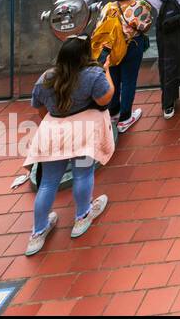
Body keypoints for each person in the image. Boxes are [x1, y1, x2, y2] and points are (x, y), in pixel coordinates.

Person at [21, 37, 116, 256]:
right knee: (83, 174)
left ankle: (38, 232)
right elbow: (105, 99)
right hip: (83, 136)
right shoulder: (93, 75)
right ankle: (82, 216)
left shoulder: (46, 78)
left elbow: (40, 109)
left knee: (48, 183)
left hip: (53, 136)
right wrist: (107, 71)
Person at [90, 0, 151, 133]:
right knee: (129, 81)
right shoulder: (139, 6)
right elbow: (145, 26)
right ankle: (125, 118)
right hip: (131, 47)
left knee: (114, 79)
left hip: (111, 50)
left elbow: (99, 27)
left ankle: (113, 111)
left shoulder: (107, 8)